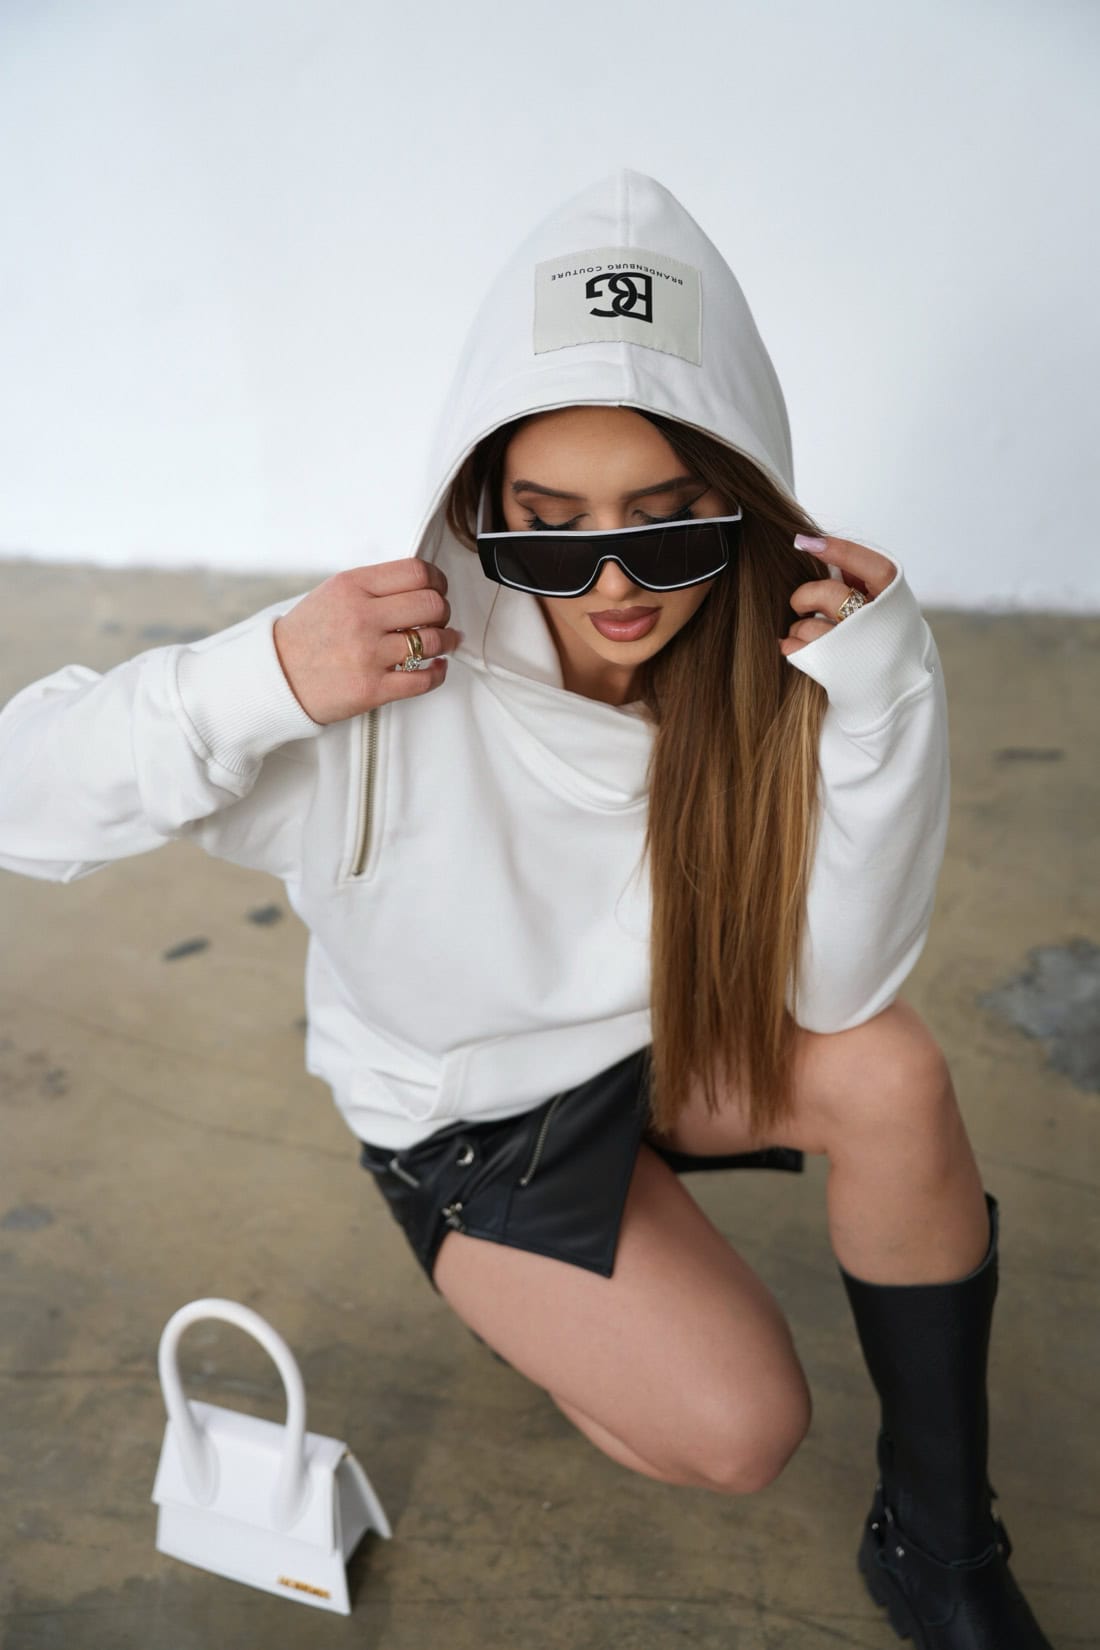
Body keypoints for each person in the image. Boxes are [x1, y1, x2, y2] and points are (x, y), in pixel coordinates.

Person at [0, 167, 1053, 1647]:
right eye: (549, 532)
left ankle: (942, 1546)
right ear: (480, 511)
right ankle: (534, 1299)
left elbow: (837, 992)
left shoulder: (790, 663)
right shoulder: (387, 685)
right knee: (738, 1428)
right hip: (474, 1121)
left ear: (743, 507)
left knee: (892, 1069)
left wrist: (885, 705)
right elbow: (21, 793)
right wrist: (261, 677)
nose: (612, 582)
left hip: (669, 1041)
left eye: (668, 528)